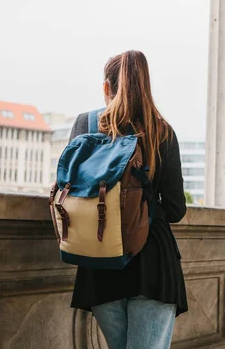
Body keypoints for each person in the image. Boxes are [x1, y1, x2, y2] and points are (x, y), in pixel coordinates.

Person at [69, 50, 188, 349]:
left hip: (99, 257)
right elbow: (175, 209)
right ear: (145, 85)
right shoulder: (163, 132)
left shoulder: (86, 124)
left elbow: (68, 189)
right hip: (152, 261)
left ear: (107, 88)